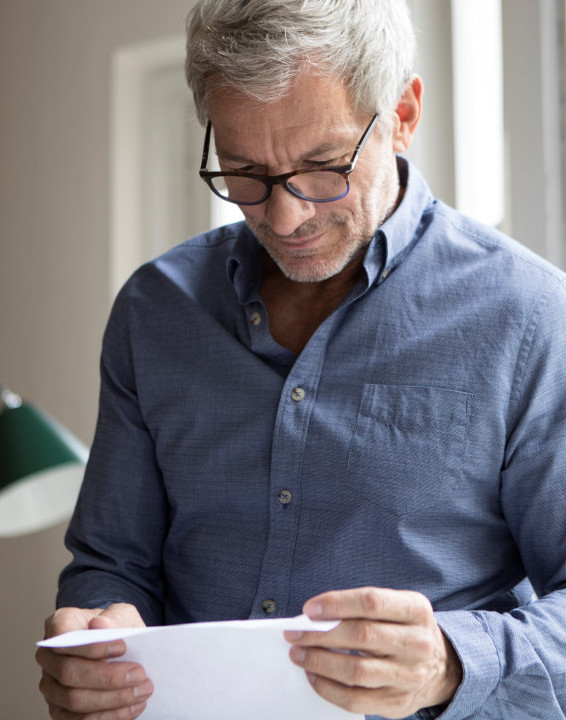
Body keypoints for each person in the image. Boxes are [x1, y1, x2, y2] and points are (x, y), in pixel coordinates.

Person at [36, 1, 566, 719]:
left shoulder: (531, 315)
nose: (285, 220)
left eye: (322, 167)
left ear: (404, 113)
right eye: (244, 171)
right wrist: (97, 636)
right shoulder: (154, 310)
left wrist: (450, 660)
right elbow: (112, 563)